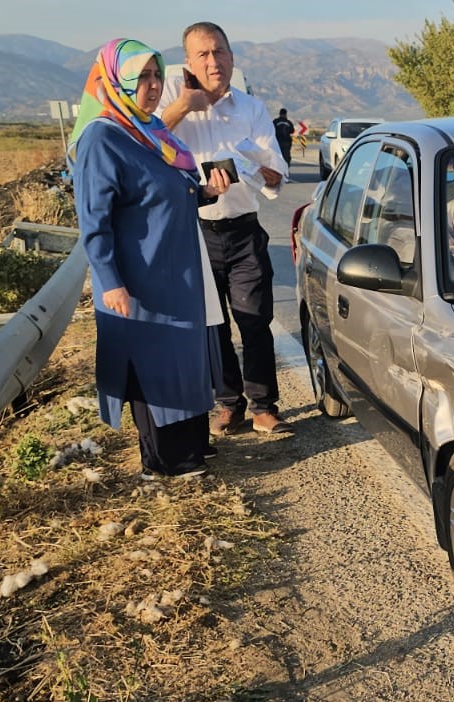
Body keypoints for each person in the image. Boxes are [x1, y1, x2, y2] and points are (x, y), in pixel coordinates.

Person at [69, 38, 230, 479]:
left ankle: (193, 448)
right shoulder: (103, 138)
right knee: (156, 368)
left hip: (175, 274)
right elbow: (93, 220)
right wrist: (109, 280)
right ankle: (165, 463)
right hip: (139, 280)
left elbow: (162, 195)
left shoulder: (150, 131)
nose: (154, 85)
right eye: (142, 77)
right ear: (115, 81)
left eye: (158, 74)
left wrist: (204, 192)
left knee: (184, 361)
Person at [160, 21, 290, 437]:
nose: (213, 61)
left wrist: (253, 167)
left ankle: (264, 406)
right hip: (194, 232)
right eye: (202, 54)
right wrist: (184, 105)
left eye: (219, 52)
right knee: (212, 326)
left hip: (244, 230)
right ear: (188, 63)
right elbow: (148, 143)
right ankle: (228, 404)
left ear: (232, 57)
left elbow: (276, 176)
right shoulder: (173, 104)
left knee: (254, 320)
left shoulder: (251, 109)